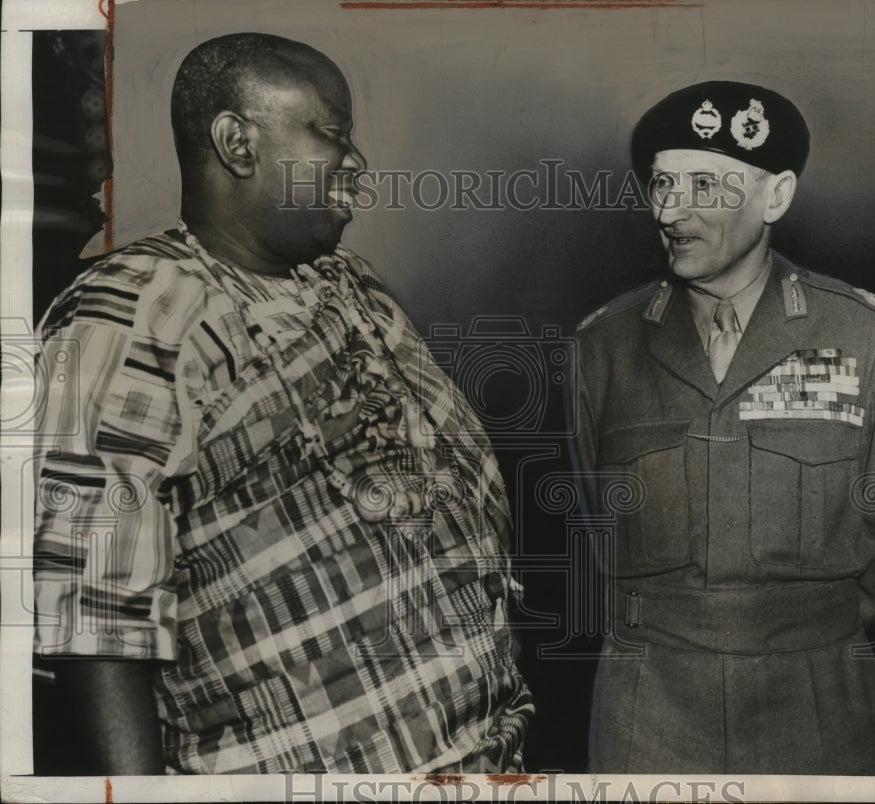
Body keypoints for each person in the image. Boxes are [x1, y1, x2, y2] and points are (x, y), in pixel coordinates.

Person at [33, 32, 532, 775]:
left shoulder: (347, 285)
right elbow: (95, 624)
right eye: (331, 134)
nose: (356, 163)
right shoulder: (130, 313)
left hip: (483, 759)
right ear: (238, 143)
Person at [571, 81, 875, 774]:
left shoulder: (866, 335)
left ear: (777, 196)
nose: (671, 210)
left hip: (820, 699)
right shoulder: (601, 347)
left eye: (705, 185)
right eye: (662, 184)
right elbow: (595, 544)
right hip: (649, 709)